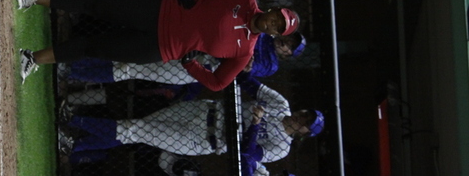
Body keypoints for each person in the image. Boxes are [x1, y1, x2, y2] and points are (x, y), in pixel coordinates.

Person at [17, 0, 301, 90]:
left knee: (95, 47)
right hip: (158, 7)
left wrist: (191, 64)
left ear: (276, 34)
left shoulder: (244, 52)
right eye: (279, 17)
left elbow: (217, 83)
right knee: (97, 4)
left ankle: (32, 59)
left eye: (279, 27)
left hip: (160, 48)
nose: (275, 23)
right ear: (276, 11)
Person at [60, 77, 324, 162]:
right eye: (306, 113)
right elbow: (251, 85)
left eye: (306, 121)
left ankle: (74, 124)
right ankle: (73, 144)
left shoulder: (282, 149)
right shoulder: (281, 105)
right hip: (202, 110)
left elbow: (247, 153)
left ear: (303, 131)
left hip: (201, 140)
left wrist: (255, 126)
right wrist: (245, 68)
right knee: (133, 129)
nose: (302, 116)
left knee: (133, 129)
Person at [63, 31, 305, 86]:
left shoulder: (271, 64)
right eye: (290, 40)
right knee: (131, 52)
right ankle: (74, 59)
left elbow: (251, 67)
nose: (286, 45)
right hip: (194, 43)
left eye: (290, 48)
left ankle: (72, 71)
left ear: (288, 55)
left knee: (129, 69)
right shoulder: (263, 31)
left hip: (201, 65)